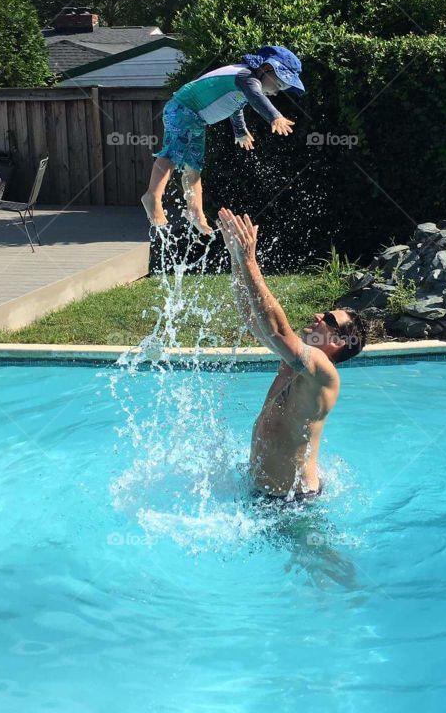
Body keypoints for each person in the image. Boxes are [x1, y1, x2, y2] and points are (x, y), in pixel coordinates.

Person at [216, 207, 368, 500]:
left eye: (329, 319)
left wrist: (250, 260)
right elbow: (252, 318)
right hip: (263, 493)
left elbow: (277, 331)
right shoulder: (294, 363)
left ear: (340, 341)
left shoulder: (323, 372)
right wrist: (236, 257)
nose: (318, 316)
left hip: (294, 503)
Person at [141, 46, 303, 235]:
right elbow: (256, 96)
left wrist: (240, 131)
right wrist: (275, 116)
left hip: (196, 120)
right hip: (182, 110)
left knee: (194, 166)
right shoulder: (246, 77)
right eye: (279, 84)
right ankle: (152, 196)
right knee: (172, 153)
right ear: (267, 68)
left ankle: (195, 211)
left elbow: (235, 105)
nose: (276, 91)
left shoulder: (244, 81)